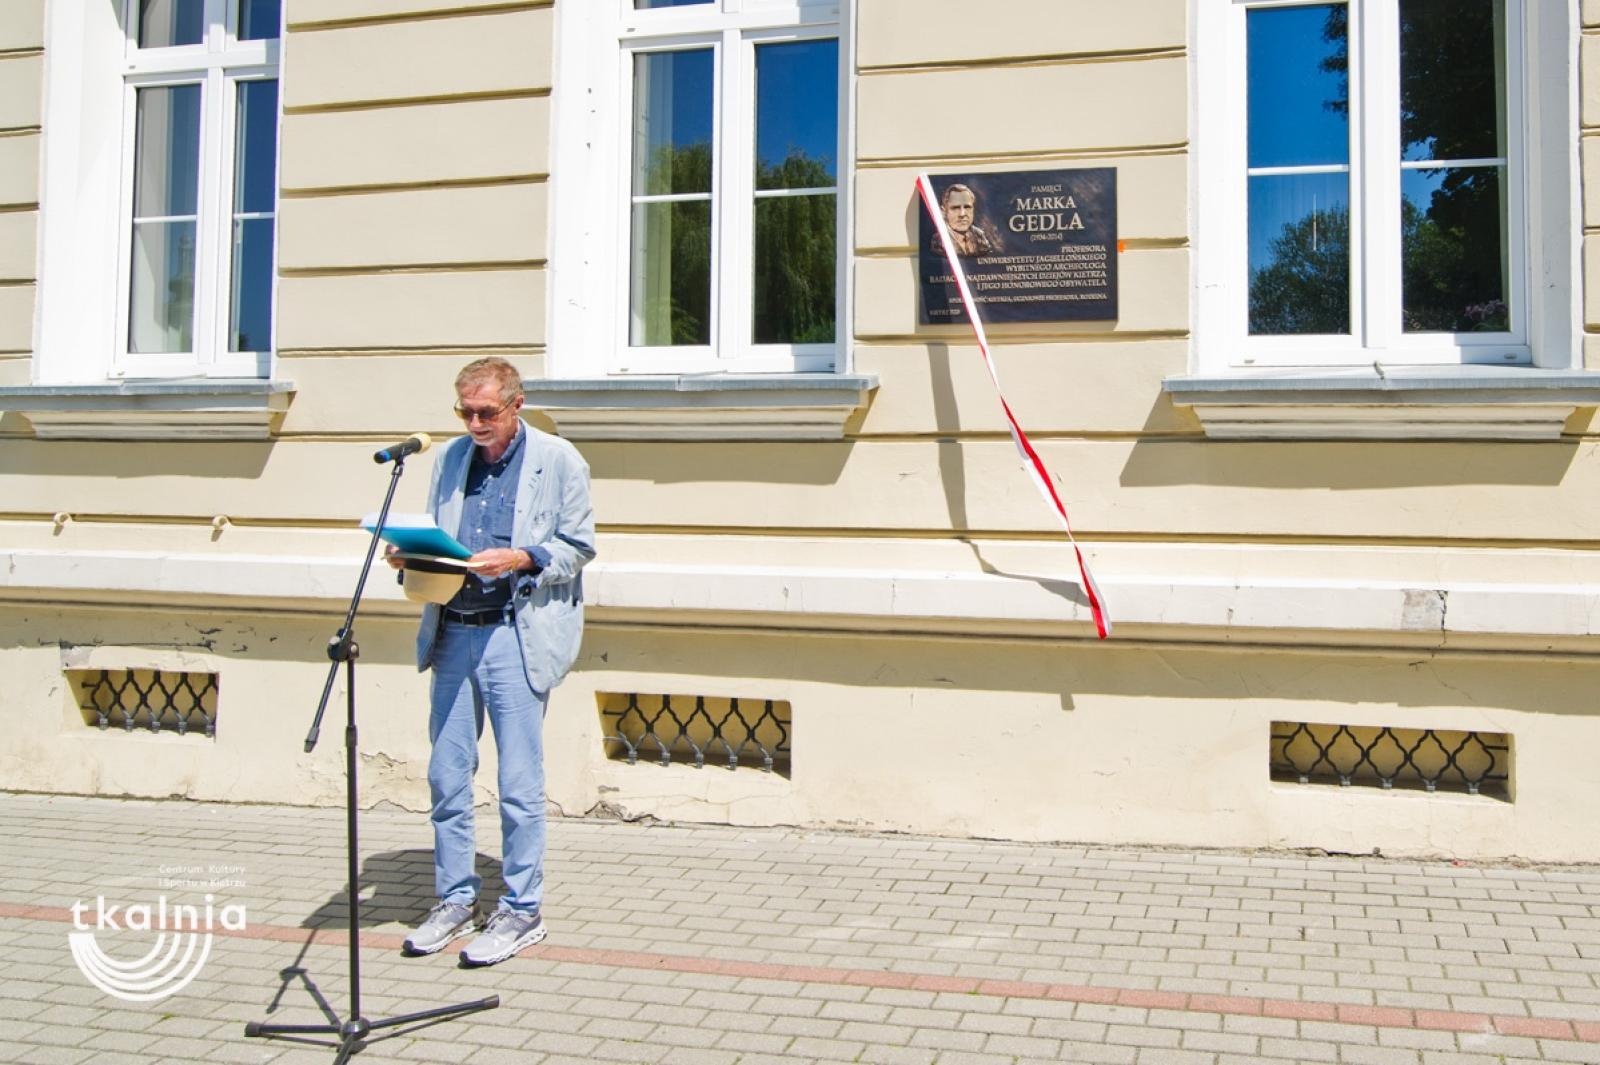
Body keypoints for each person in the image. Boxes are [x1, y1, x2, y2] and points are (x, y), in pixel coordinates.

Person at [389, 356, 596, 967]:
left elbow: (578, 547)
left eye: (486, 412)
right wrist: (412, 557)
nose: (475, 424)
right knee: (447, 776)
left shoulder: (559, 460)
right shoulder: (452, 458)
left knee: (518, 784)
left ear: (516, 404)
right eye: (466, 412)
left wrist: (522, 557)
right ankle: (455, 899)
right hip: (453, 629)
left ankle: (521, 910)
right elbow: (440, 536)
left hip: (514, 632)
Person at [940, 182, 1001, 256]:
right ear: (943, 211)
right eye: (955, 208)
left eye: (967, 207)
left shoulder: (980, 236)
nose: (962, 214)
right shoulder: (939, 240)